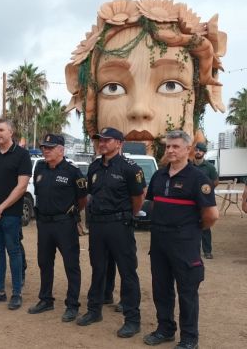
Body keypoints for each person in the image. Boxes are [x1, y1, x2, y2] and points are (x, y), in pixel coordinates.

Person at [64, 0, 227, 156]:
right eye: (113, 87)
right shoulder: (95, 175)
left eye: (171, 85)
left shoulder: (196, 179)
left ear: (200, 95)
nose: (139, 109)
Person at [143, 130, 218, 349]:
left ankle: (189, 338)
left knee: (187, 292)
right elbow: (153, 204)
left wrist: (192, 230)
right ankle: (165, 329)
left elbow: (211, 215)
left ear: (188, 149)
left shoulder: (198, 179)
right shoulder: (159, 176)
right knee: (161, 289)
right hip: (159, 242)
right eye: (168, 146)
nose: (170, 150)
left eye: (176, 146)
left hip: (184, 243)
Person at [76, 127, 145, 341]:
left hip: (119, 225)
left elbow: (138, 197)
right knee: (98, 268)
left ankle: (132, 319)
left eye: (107, 140)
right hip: (98, 225)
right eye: (100, 140)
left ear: (119, 143)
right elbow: (90, 195)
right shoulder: (95, 166)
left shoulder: (130, 168)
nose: (102, 143)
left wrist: (127, 215)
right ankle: (94, 310)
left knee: (127, 271)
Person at [27, 134, 87, 323]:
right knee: (44, 262)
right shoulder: (40, 168)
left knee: (71, 265)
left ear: (61, 150)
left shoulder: (72, 171)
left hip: (64, 224)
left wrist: (70, 213)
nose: (45, 150)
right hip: (44, 224)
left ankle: (72, 305)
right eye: (44, 147)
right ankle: (46, 300)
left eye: (50, 147)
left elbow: (82, 200)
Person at [0, 118, 32, 310]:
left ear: (11, 132)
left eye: (1, 130)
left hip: (10, 214)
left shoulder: (22, 155)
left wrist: (0, 208)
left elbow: (22, 186)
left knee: (14, 251)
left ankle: (16, 293)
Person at [193, 142, 219, 259]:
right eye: (196, 150)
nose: (198, 152)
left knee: (206, 226)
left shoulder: (210, 167)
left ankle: (207, 251)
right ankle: (194, 251)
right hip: (191, 201)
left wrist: (207, 191)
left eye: (201, 150)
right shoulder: (189, 166)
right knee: (192, 226)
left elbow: (215, 181)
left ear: (204, 153)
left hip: (205, 201)